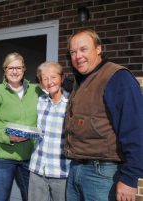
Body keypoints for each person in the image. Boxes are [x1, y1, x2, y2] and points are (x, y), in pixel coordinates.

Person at [65, 29, 143, 201]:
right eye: (73, 52)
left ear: (98, 49)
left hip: (103, 174)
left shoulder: (118, 77)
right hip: (76, 168)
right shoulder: (81, 80)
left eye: (83, 49)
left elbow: (136, 130)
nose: (78, 56)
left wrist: (130, 178)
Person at [0, 52, 42, 201]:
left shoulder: (36, 91)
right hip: (2, 156)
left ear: (24, 69)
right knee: (0, 198)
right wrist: (7, 136)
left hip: (28, 156)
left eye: (18, 68)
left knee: (32, 197)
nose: (15, 71)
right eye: (10, 68)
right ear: (5, 70)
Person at [28, 62, 70, 201]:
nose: (49, 82)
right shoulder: (40, 101)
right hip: (38, 168)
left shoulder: (71, 103)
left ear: (62, 78)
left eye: (53, 77)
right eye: (44, 78)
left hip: (62, 171)